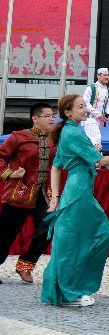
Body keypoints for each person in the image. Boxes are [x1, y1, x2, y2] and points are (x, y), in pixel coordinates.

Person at [40, 94, 109, 307]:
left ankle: (68, 288)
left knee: (75, 240)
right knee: (85, 238)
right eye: (80, 107)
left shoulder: (69, 132)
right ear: (68, 113)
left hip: (76, 191)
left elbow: (56, 166)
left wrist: (56, 198)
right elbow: (101, 160)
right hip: (78, 192)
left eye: (84, 106)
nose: (84, 109)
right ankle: (70, 293)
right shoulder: (72, 133)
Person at [0, 102, 57, 284]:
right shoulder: (19, 137)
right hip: (19, 193)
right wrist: (10, 173)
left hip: (42, 194)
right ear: (35, 118)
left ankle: (25, 265)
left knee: (47, 229)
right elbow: (1, 157)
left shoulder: (54, 140)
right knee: (6, 234)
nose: (52, 118)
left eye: (53, 115)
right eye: (47, 115)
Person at [82, 67, 109, 150]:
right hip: (90, 118)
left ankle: (94, 158)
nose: (107, 77)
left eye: (108, 75)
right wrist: (98, 114)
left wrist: (107, 114)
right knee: (96, 138)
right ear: (98, 76)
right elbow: (85, 103)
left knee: (93, 139)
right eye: (104, 75)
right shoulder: (91, 88)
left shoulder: (108, 90)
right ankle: (96, 158)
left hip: (100, 121)